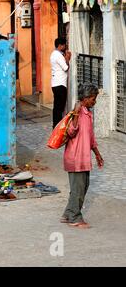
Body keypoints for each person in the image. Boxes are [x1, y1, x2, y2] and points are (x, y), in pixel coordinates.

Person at [60, 83, 104, 229]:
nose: (94, 101)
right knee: (78, 189)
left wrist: (97, 154)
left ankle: (68, 214)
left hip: (83, 158)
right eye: (93, 98)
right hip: (75, 158)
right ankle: (74, 217)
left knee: (82, 186)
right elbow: (71, 132)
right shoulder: (77, 112)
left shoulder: (88, 114)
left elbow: (91, 138)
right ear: (85, 98)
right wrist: (76, 114)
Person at [50, 37, 71, 129]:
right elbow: (66, 67)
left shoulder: (54, 54)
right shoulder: (58, 55)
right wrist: (67, 58)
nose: (65, 46)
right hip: (60, 84)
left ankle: (55, 125)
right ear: (60, 45)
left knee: (57, 106)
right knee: (60, 107)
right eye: (64, 45)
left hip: (55, 83)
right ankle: (58, 126)